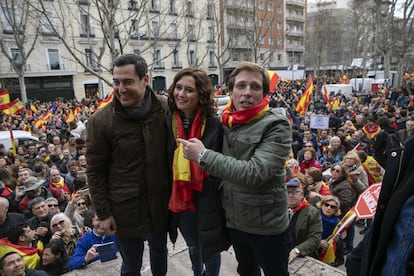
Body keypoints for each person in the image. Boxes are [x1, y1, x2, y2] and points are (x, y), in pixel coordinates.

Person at [178, 62, 292, 275]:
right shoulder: (226, 120)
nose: (247, 92)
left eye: (255, 87)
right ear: (231, 91)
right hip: (236, 223)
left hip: (267, 228)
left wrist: (203, 155)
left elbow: (255, 173)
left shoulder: (276, 125)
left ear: (265, 93)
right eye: (241, 86)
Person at [86, 54, 170, 276]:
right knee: (131, 266)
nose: (120, 88)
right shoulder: (100, 121)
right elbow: (94, 171)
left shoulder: (166, 109)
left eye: (127, 81)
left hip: (161, 205)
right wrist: (103, 213)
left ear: (145, 79)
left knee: (160, 254)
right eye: (116, 82)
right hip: (125, 210)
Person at [166, 68, 229, 276]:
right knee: (193, 245)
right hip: (180, 196)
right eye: (179, 87)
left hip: (207, 197)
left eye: (189, 90)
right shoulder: (167, 121)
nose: (181, 94)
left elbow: (222, 162)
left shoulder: (214, 125)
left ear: (201, 94)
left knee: (210, 247)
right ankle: (196, 272)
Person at [346, 136, 414, 275]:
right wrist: (358, 260)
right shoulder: (406, 161)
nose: (348, 161)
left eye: (351, 159)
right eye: (347, 159)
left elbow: (364, 187)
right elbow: (386, 222)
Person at [286, 177, 322, 264]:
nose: (290, 195)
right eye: (288, 192)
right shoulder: (280, 208)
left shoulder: (312, 213)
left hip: (300, 256)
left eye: (295, 192)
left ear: (302, 194)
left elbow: (315, 239)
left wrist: (297, 250)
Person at [317, 195, 343, 267]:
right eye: (326, 205)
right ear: (322, 205)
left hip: (325, 253)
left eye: (332, 207)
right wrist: (318, 242)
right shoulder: (314, 216)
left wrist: (335, 241)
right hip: (312, 249)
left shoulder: (337, 222)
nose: (328, 208)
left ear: (336, 210)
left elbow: (337, 243)